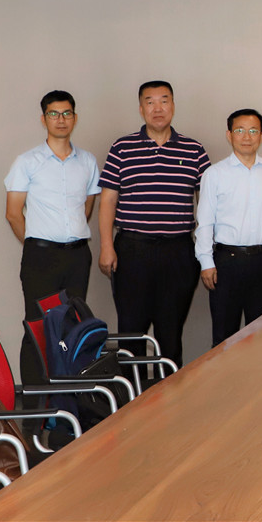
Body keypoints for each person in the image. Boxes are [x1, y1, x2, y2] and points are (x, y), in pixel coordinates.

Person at [99, 81, 210, 367]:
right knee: (131, 332)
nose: (157, 108)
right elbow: (108, 200)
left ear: (173, 105)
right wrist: (107, 247)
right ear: (141, 108)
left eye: (164, 100)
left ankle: (170, 393)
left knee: (170, 333)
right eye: (150, 102)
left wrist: (207, 252)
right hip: (133, 250)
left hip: (178, 251)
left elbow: (208, 205)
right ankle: (131, 394)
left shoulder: (194, 150)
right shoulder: (122, 147)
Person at [4, 90, 101, 385]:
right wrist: (38, 243)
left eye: (67, 113)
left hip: (77, 256)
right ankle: (36, 400)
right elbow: (13, 214)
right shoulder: (27, 161)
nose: (61, 119)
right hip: (41, 257)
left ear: (75, 118)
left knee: (73, 325)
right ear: (43, 118)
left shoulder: (87, 161)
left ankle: (68, 398)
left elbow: (86, 209)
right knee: (37, 327)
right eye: (54, 114)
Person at [195, 109, 262, 346]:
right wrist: (206, 262)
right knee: (224, 337)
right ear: (229, 135)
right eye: (240, 130)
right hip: (226, 262)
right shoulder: (214, 173)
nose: (247, 137)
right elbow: (204, 222)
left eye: (253, 131)